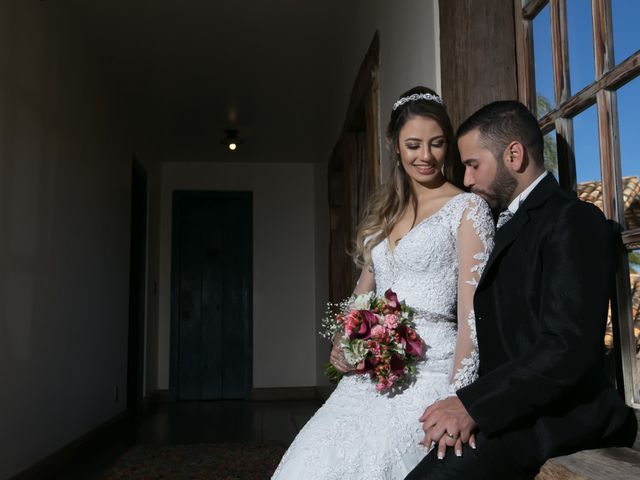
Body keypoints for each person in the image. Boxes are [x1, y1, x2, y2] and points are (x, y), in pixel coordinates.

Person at [405, 100, 637, 480]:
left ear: (514, 154)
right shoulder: (495, 222)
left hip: (557, 414)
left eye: (473, 164)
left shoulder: (573, 220)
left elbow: (566, 348)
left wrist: (473, 406)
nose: (465, 179)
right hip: (507, 407)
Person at [271, 86, 495, 479]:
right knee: (312, 462)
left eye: (437, 144)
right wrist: (343, 342)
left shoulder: (467, 209)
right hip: (369, 377)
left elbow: (472, 316)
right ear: (395, 145)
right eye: (413, 145)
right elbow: (362, 295)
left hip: (430, 373)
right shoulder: (386, 213)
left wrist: (459, 399)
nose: (425, 156)